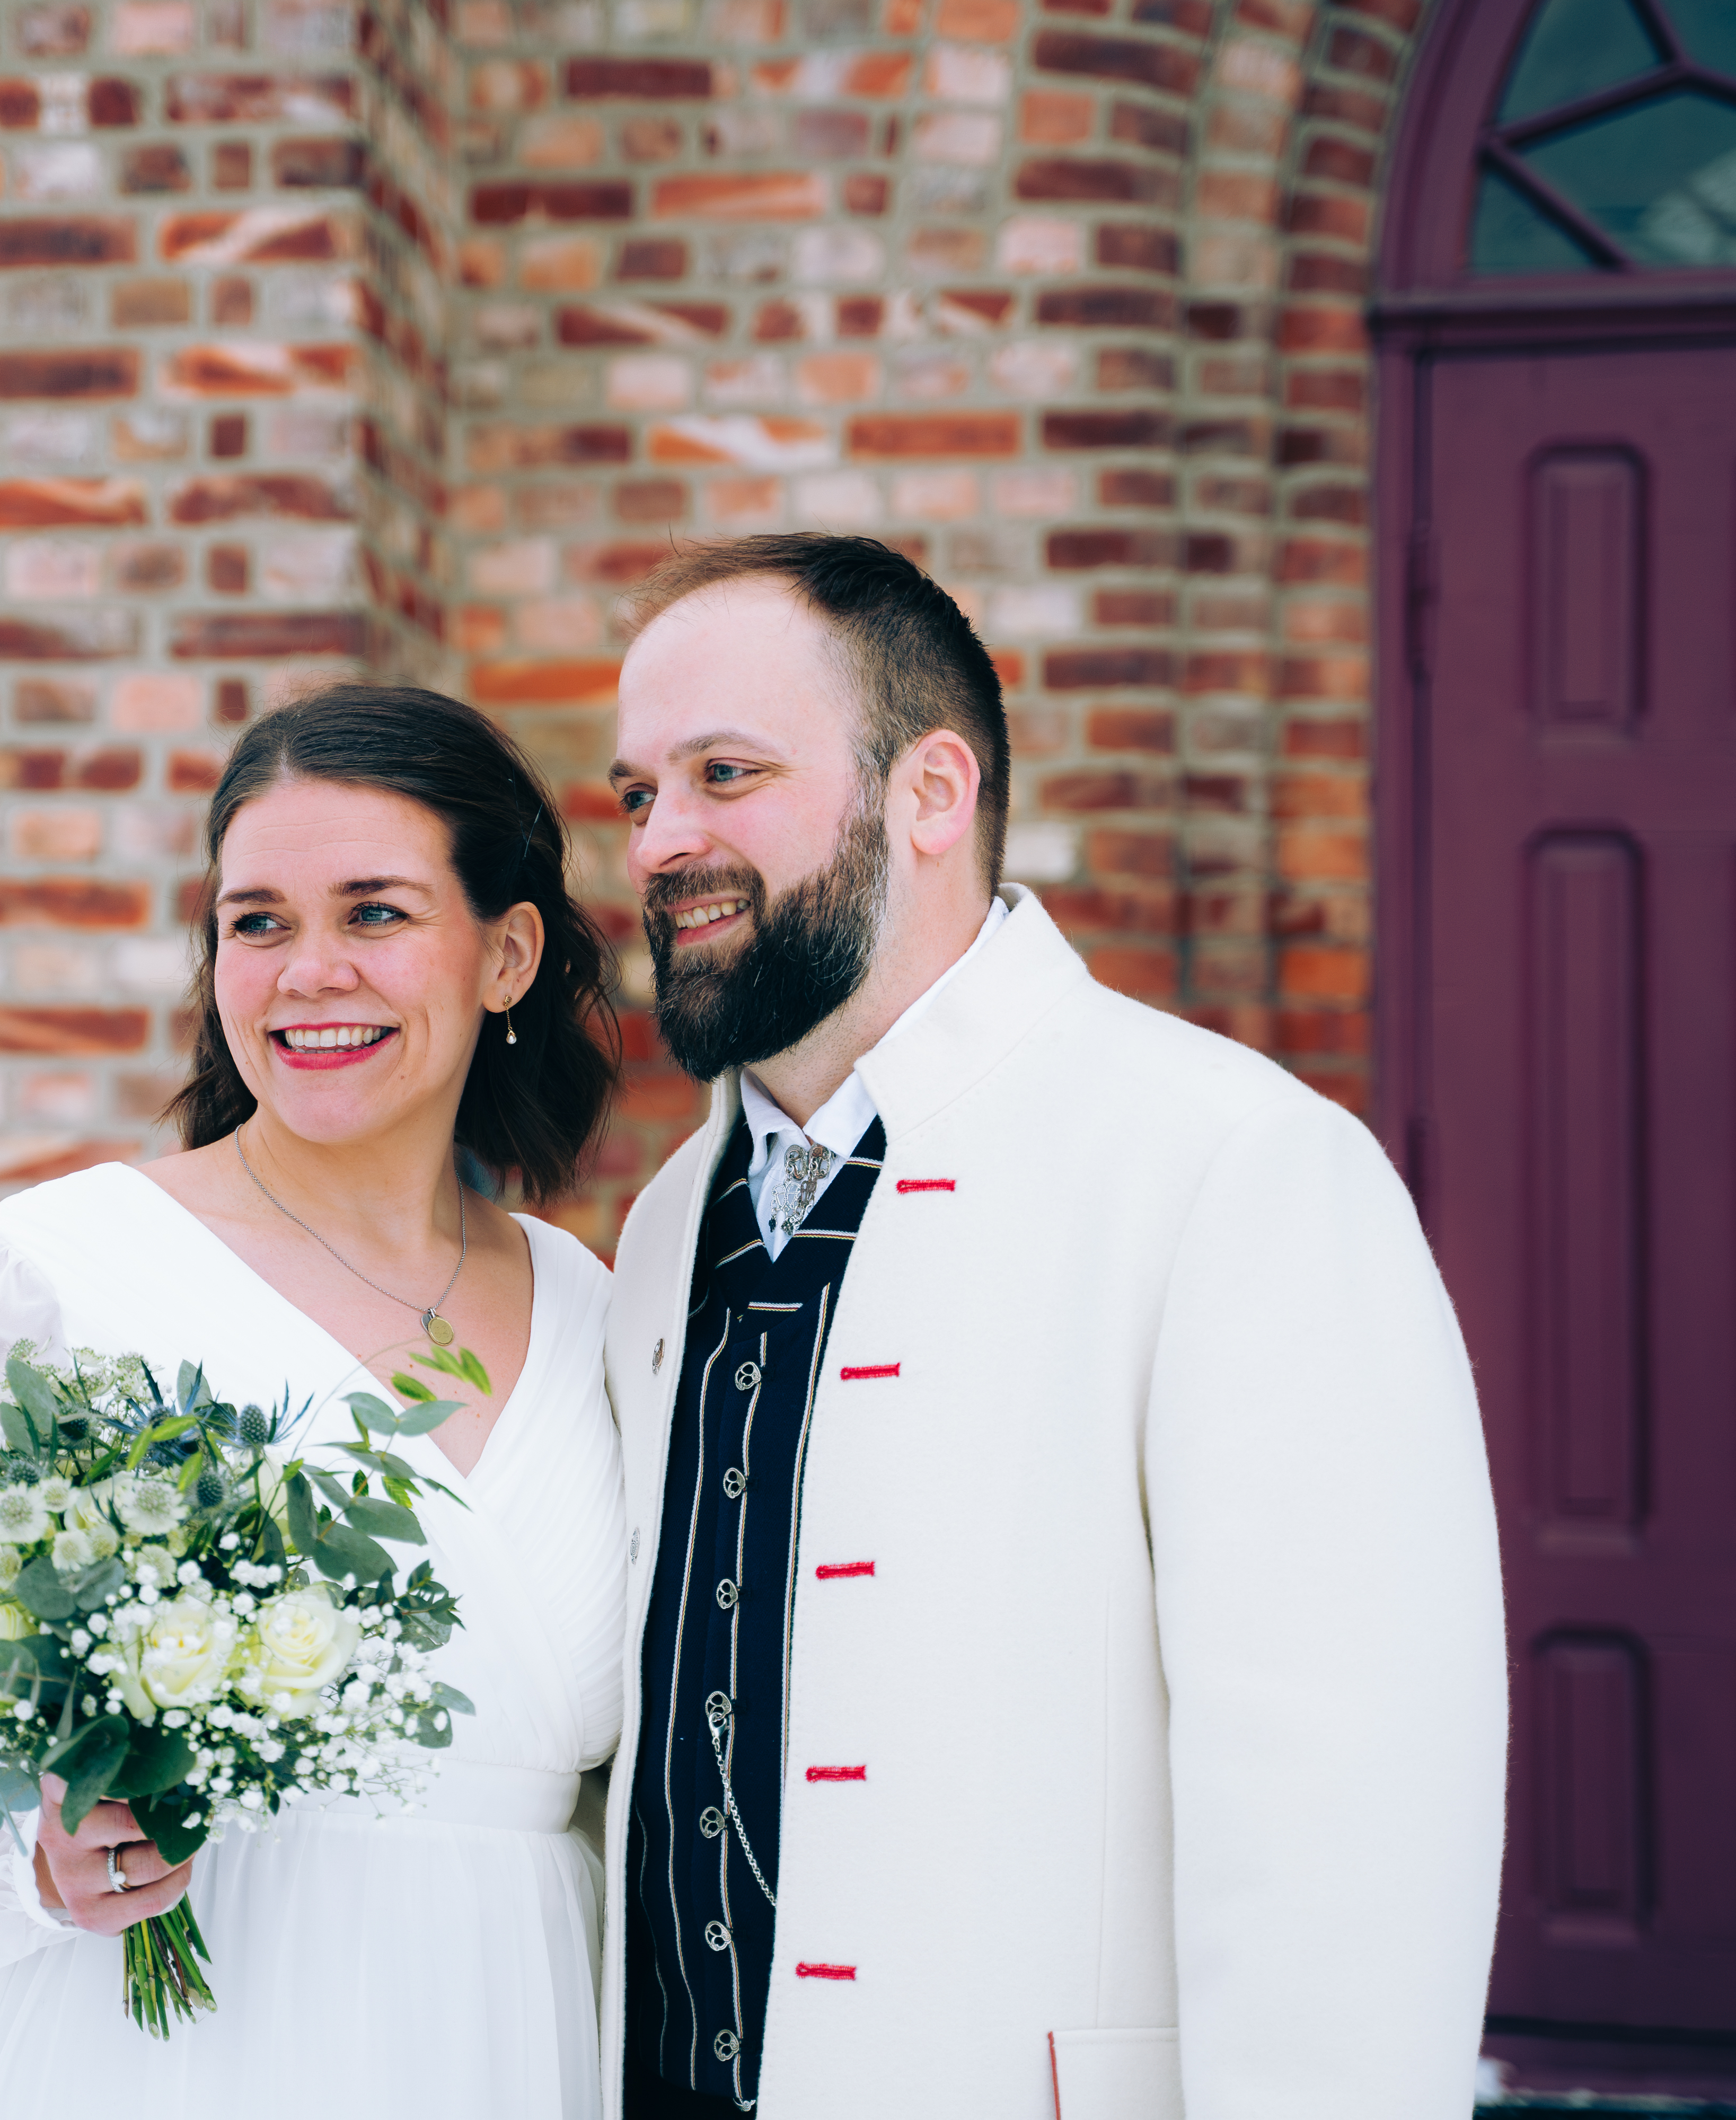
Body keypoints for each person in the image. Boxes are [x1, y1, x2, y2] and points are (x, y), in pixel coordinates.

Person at [599, 535, 1506, 2120]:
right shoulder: (669, 1221)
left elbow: (1349, 1835)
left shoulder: (1234, 1167)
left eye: (724, 773)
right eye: (635, 795)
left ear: (930, 794)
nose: (663, 841)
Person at [0, 684, 630, 2117]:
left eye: (375, 914)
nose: (307, 973)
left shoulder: (606, 1313)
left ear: (508, 954)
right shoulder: (51, 1283)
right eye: (258, 921)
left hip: (505, 2039)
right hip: (140, 2056)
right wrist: (33, 1844)